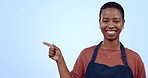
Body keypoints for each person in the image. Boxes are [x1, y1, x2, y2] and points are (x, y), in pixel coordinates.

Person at [43, 2, 146, 78]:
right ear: (99, 23)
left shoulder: (134, 59)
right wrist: (59, 60)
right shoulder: (86, 54)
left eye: (116, 21)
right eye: (105, 21)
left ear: (123, 23)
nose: (110, 25)